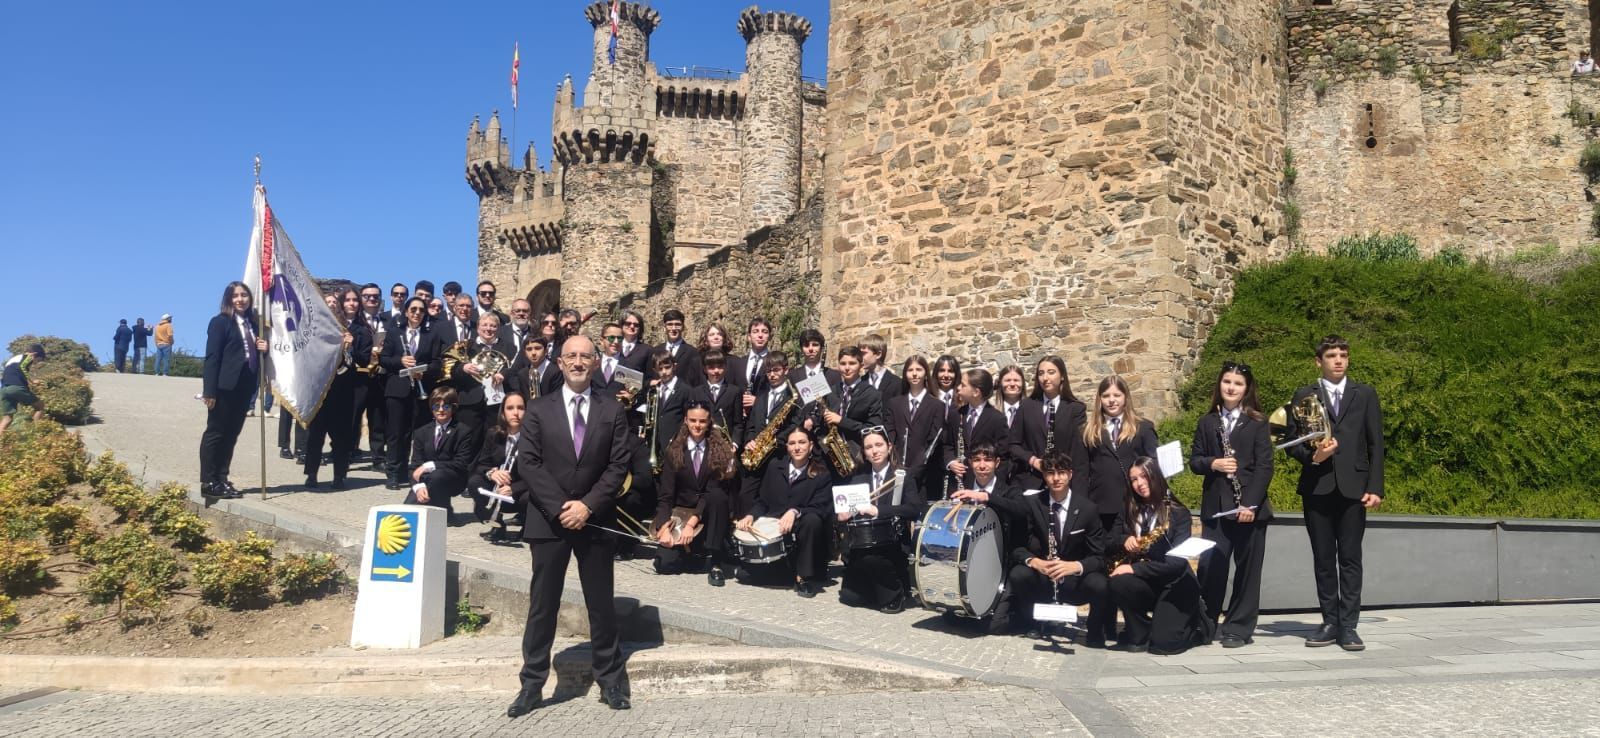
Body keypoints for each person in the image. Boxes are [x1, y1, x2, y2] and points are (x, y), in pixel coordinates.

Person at [510, 334, 633, 716]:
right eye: (571, 356)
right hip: (549, 520)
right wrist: (563, 506)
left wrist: (588, 506)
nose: (578, 362)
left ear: (595, 363)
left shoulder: (612, 409)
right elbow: (528, 463)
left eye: (585, 356)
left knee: (600, 604)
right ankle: (531, 685)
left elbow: (618, 466)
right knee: (542, 606)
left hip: (595, 521)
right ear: (559, 363)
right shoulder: (538, 409)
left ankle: (611, 681)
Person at [1286, 335, 1384, 652]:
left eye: (1343, 354)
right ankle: (1329, 621)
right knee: (1324, 559)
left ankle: (1349, 626)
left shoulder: (1365, 394)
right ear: (1319, 361)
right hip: (1317, 486)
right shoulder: (1304, 395)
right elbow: (1291, 442)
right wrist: (1313, 457)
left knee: (1351, 559)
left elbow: (1375, 445)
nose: (1338, 360)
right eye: (1331, 355)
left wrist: (1375, 487)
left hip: (1354, 488)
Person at [1190, 361, 1274, 648]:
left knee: (1248, 571)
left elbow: (1265, 467)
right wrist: (1213, 462)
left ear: (1246, 389)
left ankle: (1238, 627)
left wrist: (1249, 505)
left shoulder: (1258, 422)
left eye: (1238, 384)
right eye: (1227, 382)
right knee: (1212, 566)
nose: (1231, 387)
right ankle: (1206, 621)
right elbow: (1195, 461)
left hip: (1249, 508)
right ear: (1220, 384)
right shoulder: (1207, 422)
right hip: (1216, 506)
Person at [1001, 451, 1111, 646]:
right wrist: (1036, 563)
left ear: (1070, 474)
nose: (1056, 478)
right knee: (1019, 574)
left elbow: (1099, 557)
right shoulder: (1032, 504)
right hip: (1044, 576)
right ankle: (1033, 621)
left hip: (1073, 579)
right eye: (1050, 473)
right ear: (1044, 476)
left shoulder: (1088, 509)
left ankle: (1095, 631)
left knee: (1100, 583)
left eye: (1061, 472)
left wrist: (1074, 566)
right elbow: (1017, 548)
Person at [1108, 457, 1210, 655]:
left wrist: (1133, 568)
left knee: (1165, 645)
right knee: (1118, 582)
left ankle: (1198, 625)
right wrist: (1124, 539)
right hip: (1148, 580)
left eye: (1144, 476)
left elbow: (1176, 564)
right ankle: (1140, 632)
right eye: (1134, 479)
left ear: (1156, 476)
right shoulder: (1129, 508)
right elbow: (1108, 540)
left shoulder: (1178, 514)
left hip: (1175, 583)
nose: (1139, 483)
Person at [737, 426, 834, 598]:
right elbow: (762, 501)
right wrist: (750, 515)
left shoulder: (821, 472)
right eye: (792, 443)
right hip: (779, 533)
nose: (797, 447)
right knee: (748, 575)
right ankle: (778, 571)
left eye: (802, 442)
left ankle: (803, 577)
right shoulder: (775, 467)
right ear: (787, 447)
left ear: (811, 446)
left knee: (812, 519)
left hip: (804, 533)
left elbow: (822, 508)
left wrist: (795, 511)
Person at [837, 427, 925, 613]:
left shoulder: (902, 476)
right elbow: (848, 510)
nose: (874, 451)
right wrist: (844, 514)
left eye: (879, 445)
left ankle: (896, 593)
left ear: (889, 447)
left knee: (872, 564)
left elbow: (915, 509)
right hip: (863, 543)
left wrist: (879, 510)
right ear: (864, 452)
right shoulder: (859, 478)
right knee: (849, 597)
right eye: (869, 447)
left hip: (893, 542)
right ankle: (878, 589)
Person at [652, 402, 738, 584]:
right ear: (685, 421)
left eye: (702, 421)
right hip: (681, 515)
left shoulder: (720, 451)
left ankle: (716, 562)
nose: (697, 425)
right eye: (692, 420)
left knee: (718, 496)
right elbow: (665, 495)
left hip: (709, 514)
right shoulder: (674, 451)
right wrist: (663, 527)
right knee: (663, 564)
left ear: (709, 423)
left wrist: (693, 521)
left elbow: (712, 491)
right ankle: (692, 556)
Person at [948, 442, 1030, 632]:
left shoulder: (1010, 489)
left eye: (988, 460)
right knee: (954, 618)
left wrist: (987, 497)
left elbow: (1023, 510)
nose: (982, 465)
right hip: (973, 560)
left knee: (996, 624)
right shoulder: (962, 488)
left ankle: (1026, 618)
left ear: (997, 462)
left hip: (1004, 562)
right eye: (976, 460)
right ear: (970, 463)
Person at [198, 282, 267, 500]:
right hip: (223, 387)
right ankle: (208, 481)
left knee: (231, 435)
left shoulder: (254, 325)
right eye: (235, 296)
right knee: (216, 432)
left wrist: (263, 349)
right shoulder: (220, 323)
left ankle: (222, 477)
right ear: (228, 299)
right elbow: (212, 357)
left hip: (245, 386)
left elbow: (252, 355)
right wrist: (209, 391)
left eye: (244, 295)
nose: (240, 299)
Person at [304, 287, 372, 489]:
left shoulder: (361, 330)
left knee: (341, 436)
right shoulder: (324, 325)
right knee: (316, 435)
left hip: (344, 389)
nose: (352, 303)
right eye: (348, 300)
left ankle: (339, 475)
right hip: (322, 389)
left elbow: (364, 359)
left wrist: (351, 346)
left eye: (355, 300)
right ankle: (311, 474)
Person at [1082, 375, 1159, 533]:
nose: (1111, 400)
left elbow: (1154, 466)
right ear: (1099, 399)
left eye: (1117, 395)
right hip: (1101, 505)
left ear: (1125, 397)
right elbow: (1082, 470)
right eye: (1106, 396)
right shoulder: (1088, 431)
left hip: (1134, 504)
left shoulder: (1143, 428)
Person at [379, 297, 436, 489]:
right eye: (413, 309)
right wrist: (401, 362)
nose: (417, 313)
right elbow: (384, 360)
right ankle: (393, 473)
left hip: (420, 390)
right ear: (406, 312)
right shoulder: (395, 333)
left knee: (414, 434)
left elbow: (437, 362)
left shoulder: (430, 335)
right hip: (397, 389)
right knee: (396, 433)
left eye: (421, 310)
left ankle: (410, 473)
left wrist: (424, 370)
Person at [1010, 356, 1088, 494]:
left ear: (1062, 376)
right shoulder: (1026, 406)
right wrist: (1033, 461)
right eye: (1041, 373)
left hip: (1063, 483)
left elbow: (1079, 456)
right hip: (1031, 482)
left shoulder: (1075, 409)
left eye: (1051, 372)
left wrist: (1079, 494)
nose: (1045, 378)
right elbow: (1012, 444)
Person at [738, 352, 796, 520]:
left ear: (786, 370)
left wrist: (775, 441)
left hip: (778, 455)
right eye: (769, 370)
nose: (772, 374)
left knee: (774, 498)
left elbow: (795, 425)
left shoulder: (793, 396)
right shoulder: (762, 396)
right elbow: (751, 425)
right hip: (756, 454)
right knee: (745, 496)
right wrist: (749, 440)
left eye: (776, 370)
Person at [469, 392, 528, 545]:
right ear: (503, 412)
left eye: (521, 408)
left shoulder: (535, 436)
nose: (515, 412)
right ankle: (498, 525)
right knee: (475, 482)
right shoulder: (493, 433)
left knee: (533, 495)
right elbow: (482, 464)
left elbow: (540, 472)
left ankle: (528, 527)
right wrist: (492, 473)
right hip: (498, 490)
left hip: (520, 492)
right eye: (510, 408)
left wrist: (514, 488)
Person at [885, 355, 945, 503]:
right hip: (897, 468)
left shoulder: (937, 405)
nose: (914, 373)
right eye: (910, 370)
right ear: (905, 374)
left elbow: (933, 440)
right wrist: (896, 464)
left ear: (926, 373)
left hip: (924, 473)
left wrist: (915, 470)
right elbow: (890, 433)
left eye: (919, 369)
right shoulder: (894, 403)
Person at [406, 387, 475, 512]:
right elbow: (414, 466)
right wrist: (418, 487)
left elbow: (461, 463)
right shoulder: (421, 432)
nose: (441, 410)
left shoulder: (463, 431)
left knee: (436, 476)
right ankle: (426, 510)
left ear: (453, 408)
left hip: (454, 478)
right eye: (436, 406)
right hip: (427, 479)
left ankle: (442, 511)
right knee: (412, 504)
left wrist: (430, 465)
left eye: (446, 406)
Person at [943, 368, 1009, 493]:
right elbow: (947, 444)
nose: (958, 388)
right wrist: (951, 462)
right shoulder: (956, 415)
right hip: (958, 482)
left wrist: (993, 486)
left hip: (984, 485)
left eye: (963, 385)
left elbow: (1004, 455)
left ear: (976, 392)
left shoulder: (997, 419)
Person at [355, 283, 389, 464]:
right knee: (354, 417)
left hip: (379, 376)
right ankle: (350, 452)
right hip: (359, 376)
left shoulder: (386, 321)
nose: (372, 299)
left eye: (375, 296)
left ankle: (377, 456)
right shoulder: (356, 321)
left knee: (378, 418)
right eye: (367, 296)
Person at [692, 349, 743, 440]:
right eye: (711, 367)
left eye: (720, 367)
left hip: (726, 444)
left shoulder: (734, 391)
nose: (716, 371)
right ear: (705, 369)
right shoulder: (696, 392)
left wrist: (735, 443)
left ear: (725, 367)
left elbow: (738, 423)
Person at [0, 343, 47, 437]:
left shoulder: (13, 360)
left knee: (7, 419)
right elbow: (22, 367)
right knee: (40, 406)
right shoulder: (27, 357)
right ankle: (36, 434)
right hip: (16, 387)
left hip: (4, 389)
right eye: (37, 360)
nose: (35, 363)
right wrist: (32, 381)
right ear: (34, 354)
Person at [658, 309, 703, 386]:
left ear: (683, 327)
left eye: (677, 324)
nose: (673, 328)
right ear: (664, 327)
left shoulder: (693, 352)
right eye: (670, 324)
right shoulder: (656, 351)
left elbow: (696, 380)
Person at [858, 333, 902, 398]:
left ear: (878, 354)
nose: (860, 357)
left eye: (863, 353)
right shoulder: (859, 383)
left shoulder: (896, 383)